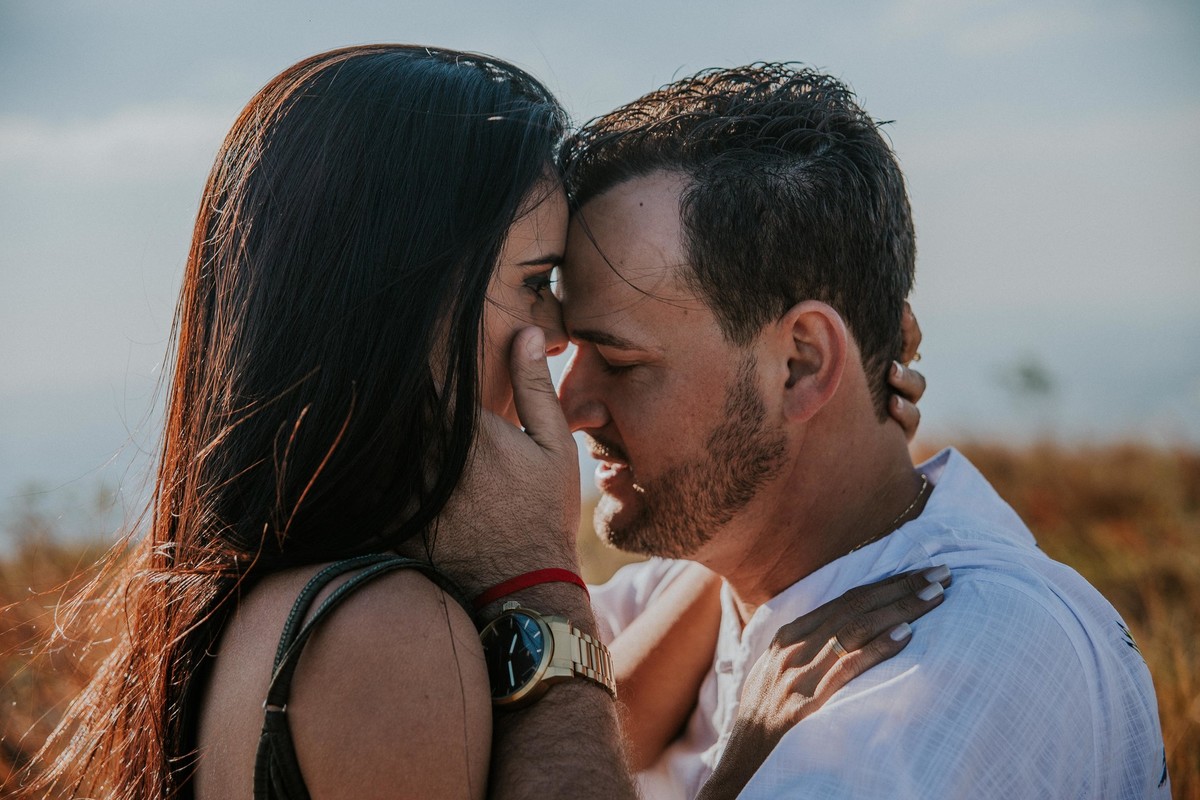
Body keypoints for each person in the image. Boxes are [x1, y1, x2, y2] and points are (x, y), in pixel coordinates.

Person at [20, 47, 945, 800]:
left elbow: (566, 730)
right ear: (409, 302)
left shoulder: (289, 590)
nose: (557, 335)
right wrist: (733, 759)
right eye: (536, 283)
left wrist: (786, 476)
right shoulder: (390, 636)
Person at [556, 63, 1170, 798]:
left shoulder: (947, 664)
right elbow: (521, 735)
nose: (568, 405)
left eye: (619, 362)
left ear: (802, 363)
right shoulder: (709, 582)